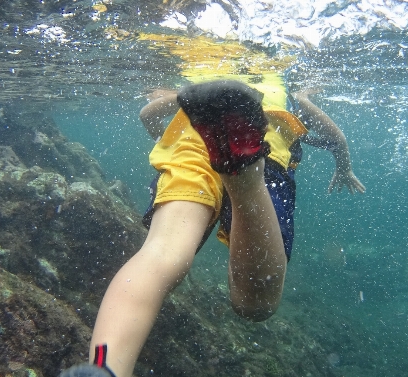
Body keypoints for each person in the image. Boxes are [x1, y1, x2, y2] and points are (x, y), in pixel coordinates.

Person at [61, 80, 364, 377]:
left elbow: (147, 115)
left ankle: (105, 365)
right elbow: (334, 136)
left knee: (162, 253)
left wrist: (174, 117)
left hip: (191, 147)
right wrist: (344, 165)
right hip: (263, 150)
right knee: (255, 304)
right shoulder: (279, 89)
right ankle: (245, 179)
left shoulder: (196, 85)